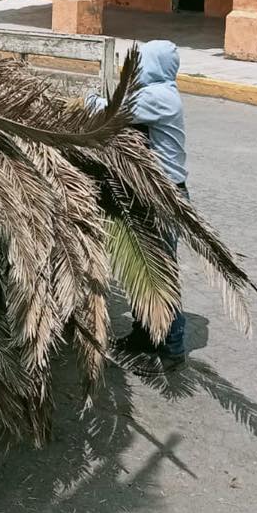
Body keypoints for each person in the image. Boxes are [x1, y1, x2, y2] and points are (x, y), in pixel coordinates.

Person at [88, 40, 189, 369]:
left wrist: (86, 99)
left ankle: (170, 348)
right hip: (145, 191)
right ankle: (143, 335)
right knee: (142, 268)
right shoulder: (154, 94)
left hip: (163, 194)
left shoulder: (160, 98)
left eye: (141, 62)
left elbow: (110, 111)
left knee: (159, 272)